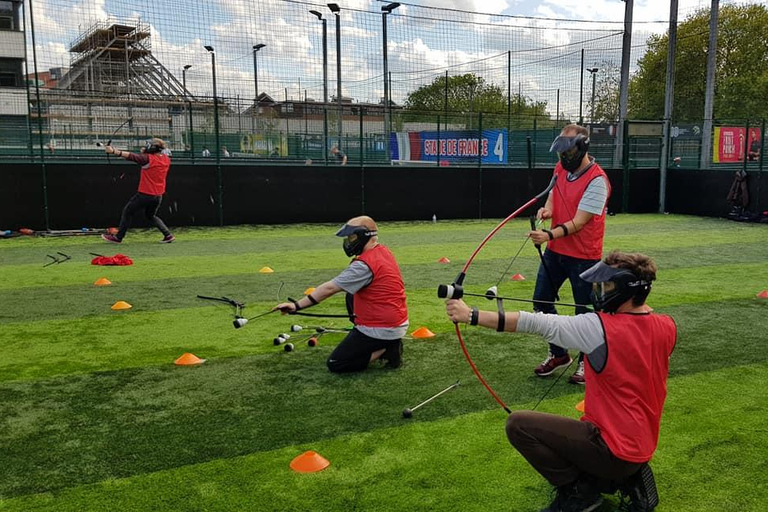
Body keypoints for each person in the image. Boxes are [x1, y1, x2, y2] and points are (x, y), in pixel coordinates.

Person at [445, 251, 676, 512]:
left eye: (606, 286)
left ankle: (582, 494)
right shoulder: (668, 326)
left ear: (627, 289)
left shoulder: (597, 327)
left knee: (519, 425)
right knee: (572, 432)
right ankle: (621, 476)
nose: (599, 292)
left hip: (613, 450)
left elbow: (537, 322)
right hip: (641, 447)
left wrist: (471, 315)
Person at [529, 124, 611, 385]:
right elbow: (554, 194)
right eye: (561, 151)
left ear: (582, 147)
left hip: (584, 257)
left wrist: (548, 235)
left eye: (568, 150)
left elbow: (579, 222)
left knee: (585, 312)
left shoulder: (598, 180)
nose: (563, 156)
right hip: (556, 252)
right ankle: (558, 353)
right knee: (541, 301)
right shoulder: (560, 169)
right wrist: (547, 210)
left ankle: (586, 363)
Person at [274, 216, 408, 373]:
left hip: (383, 328)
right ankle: (383, 341)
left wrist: (296, 305)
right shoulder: (383, 251)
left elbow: (330, 288)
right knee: (351, 292)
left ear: (364, 235)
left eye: (351, 237)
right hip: (397, 321)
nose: (348, 242)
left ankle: (387, 349)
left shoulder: (363, 266)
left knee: (336, 363)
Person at [101, 138, 175, 244]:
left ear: (152, 148)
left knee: (127, 212)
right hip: (158, 195)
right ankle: (168, 235)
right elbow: (144, 157)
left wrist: (114, 151)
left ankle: (118, 237)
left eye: (148, 145)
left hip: (145, 194)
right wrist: (144, 152)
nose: (146, 147)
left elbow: (133, 157)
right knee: (150, 216)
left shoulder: (148, 159)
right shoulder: (166, 159)